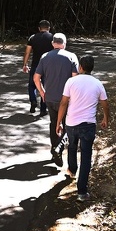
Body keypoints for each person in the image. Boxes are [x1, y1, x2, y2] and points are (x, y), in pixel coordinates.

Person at [56, 54, 109, 201]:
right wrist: (106, 118)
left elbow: (63, 102)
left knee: (72, 147)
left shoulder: (71, 81)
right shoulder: (97, 83)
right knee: (86, 156)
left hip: (71, 123)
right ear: (91, 68)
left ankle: (72, 170)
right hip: (88, 125)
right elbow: (105, 104)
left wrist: (58, 121)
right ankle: (82, 192)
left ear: (80, 67)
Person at [33, 32, 78, 166]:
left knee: (54, 123)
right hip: (66, 99)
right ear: (64, 44)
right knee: (66, 124)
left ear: (53, 43)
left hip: (50, 98)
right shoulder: (71, 57)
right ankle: (58, 149)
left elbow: (36, 77)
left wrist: (42, 92)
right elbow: (75, 78)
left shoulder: (45, 56)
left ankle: (54, 149)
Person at [22, 20, 54, 115]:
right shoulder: (53, 38)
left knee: (32, 85)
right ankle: (43, 109)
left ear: (39, 28)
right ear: (49, 28)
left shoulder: (33, 37)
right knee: (45, 87)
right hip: (48, 66)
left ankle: (33, 100)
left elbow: (27, 52)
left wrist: (25, 64)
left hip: (36, 65)